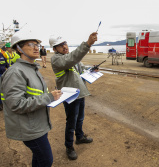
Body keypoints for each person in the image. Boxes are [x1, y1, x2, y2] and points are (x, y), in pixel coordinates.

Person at [1, 31, 62, 167]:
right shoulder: (15, 72)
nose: (36, 48)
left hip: (37, 123)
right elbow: (16, 104)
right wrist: (49, 97)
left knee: (39, 158)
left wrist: (51, 97)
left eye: (37, 44)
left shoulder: (31, 68)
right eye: (31, 44)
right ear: (19, 48)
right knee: (46, 160)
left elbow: (35, 95)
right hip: (29, 128)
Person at [49, 32, 97, 160]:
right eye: (60, 45)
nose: (64, 46)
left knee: (80, 118)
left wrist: (91, 68)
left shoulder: (69, 57)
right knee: (71, 122)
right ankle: (69, 146)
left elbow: (81, 67)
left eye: (64, 43)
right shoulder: (57, 59)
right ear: (54, 49)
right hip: (70, 96)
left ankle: (80, 137)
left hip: (80, 93)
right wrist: (87, 44)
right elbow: (72, 59)